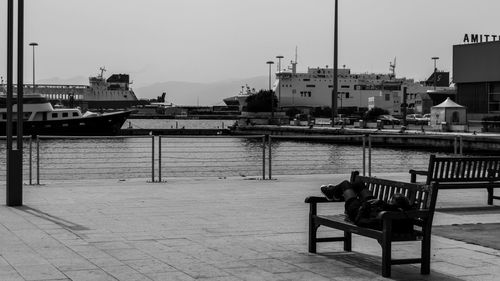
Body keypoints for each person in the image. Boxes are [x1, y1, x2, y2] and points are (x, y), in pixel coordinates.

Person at [321, 180, 414, 232]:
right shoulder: (400, 211)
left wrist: (364, 206)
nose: (388, 201)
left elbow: (359, 221)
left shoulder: (385, 217)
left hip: (357, 211)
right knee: (358, 183)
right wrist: (382, 203)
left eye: (390, 201)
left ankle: (334, 193)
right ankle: (335, 192)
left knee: (345, 184)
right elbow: (404, 208)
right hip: (370, 208)